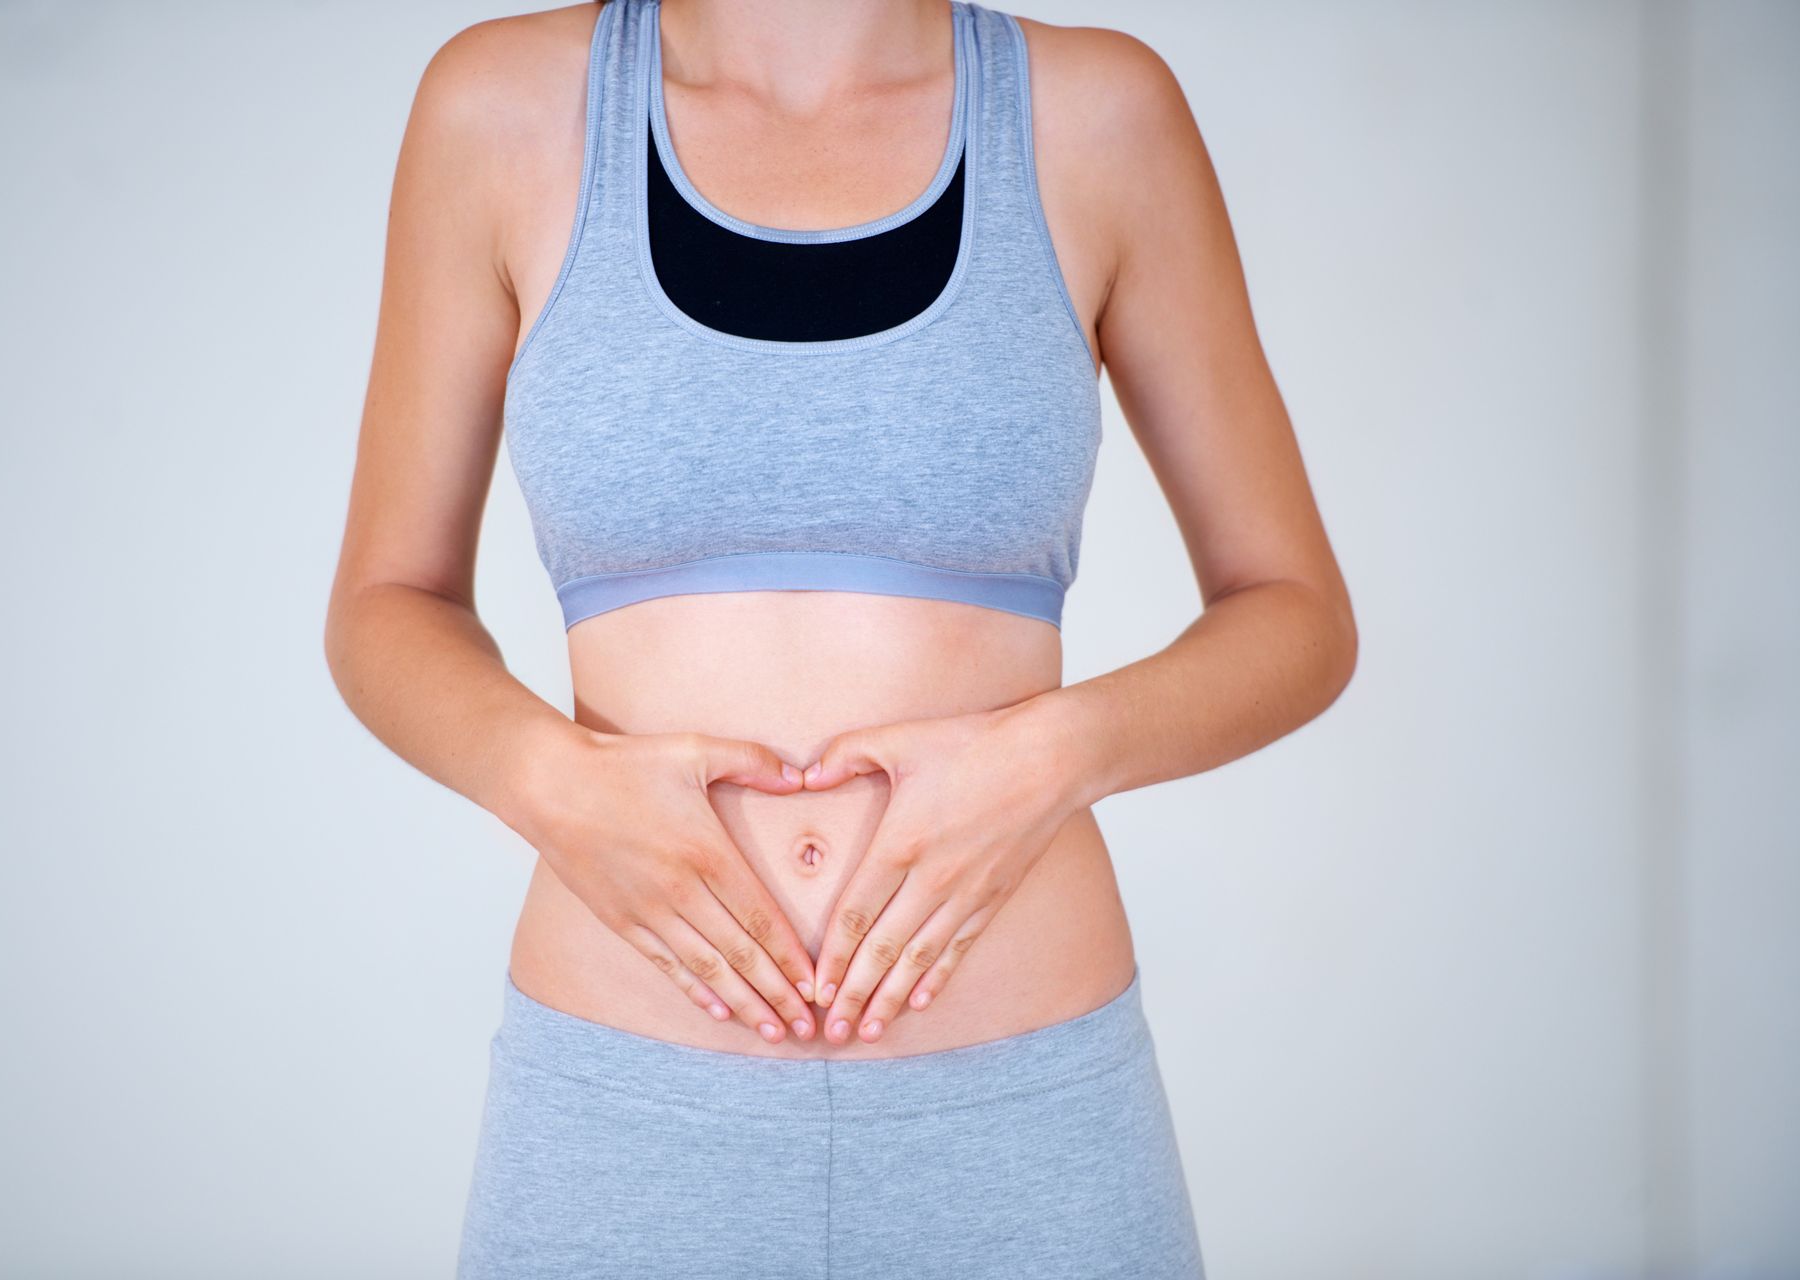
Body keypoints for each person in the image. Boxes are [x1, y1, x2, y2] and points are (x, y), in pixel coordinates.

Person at [324, 0, 1356, 1274]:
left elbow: (1296, 611)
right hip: (626, 1123)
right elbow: (386, 602)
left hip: (1024, 1118)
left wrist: (1051, 755)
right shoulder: (502, 107)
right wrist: (552, 782)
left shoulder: (1098, 115)